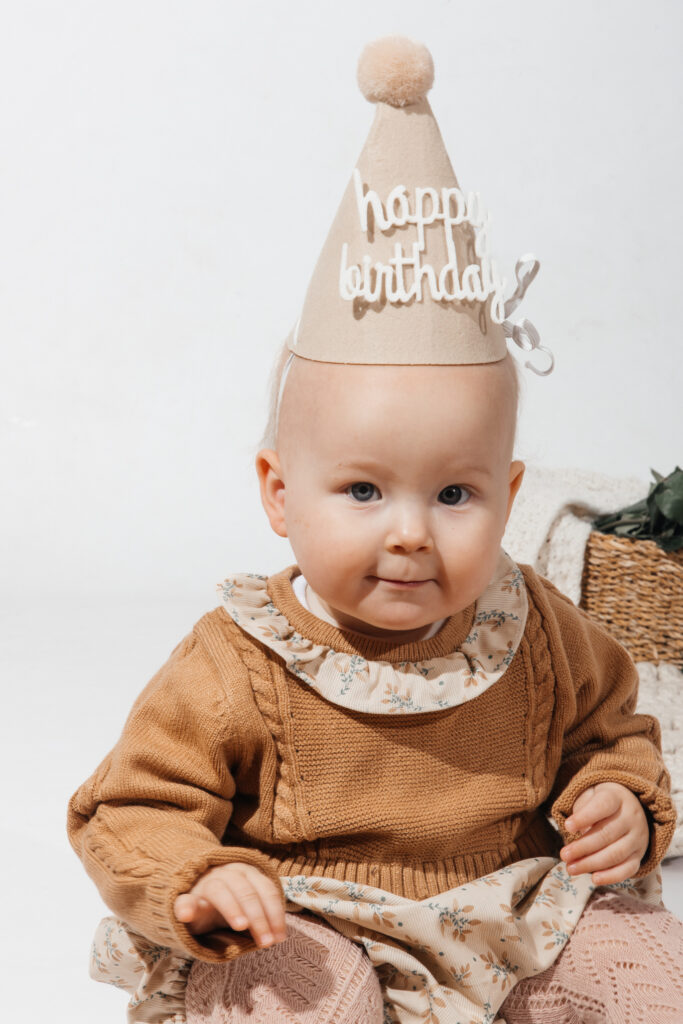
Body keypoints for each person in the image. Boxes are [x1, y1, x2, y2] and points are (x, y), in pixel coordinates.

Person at [67, 36, 683, 1024]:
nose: (409, 533)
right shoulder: (237, 664)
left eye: (453, 494)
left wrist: (620, 800)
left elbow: (611, 734)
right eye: (361, 490)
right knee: (305, 993)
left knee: (651, 974)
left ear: (508, 492)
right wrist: (202, 877)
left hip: (508, 914)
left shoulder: (532, 629)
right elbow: (135, 806)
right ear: (278, 492)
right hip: (310, 915)